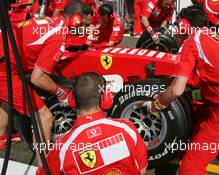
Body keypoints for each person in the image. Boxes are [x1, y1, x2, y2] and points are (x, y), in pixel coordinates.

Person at [142, 6, 219, 175]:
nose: (177, 28)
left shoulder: (192, 42)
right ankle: (191, 145)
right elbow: (214, 78)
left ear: (185, 24)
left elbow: (177, 90)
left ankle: (195, 153)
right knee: (198, 113)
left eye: (179, 24)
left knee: (190, 168)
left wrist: (156, 105)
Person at [0, 0, 88, 152]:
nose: (85, 28)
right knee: (44, 117)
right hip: (5, 67)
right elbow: (37, 78)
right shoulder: (59, 36)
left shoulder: (51, 20)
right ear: (76, 19)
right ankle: (43, 167)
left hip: (7, 60)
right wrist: (61, 93)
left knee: (7, 104)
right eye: (85, 24)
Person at [36, 72, 148, 175]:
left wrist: (39, 144)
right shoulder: (127, 129)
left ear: (72, 101)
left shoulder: (62, 147)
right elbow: (142, 169)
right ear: (106, 98)